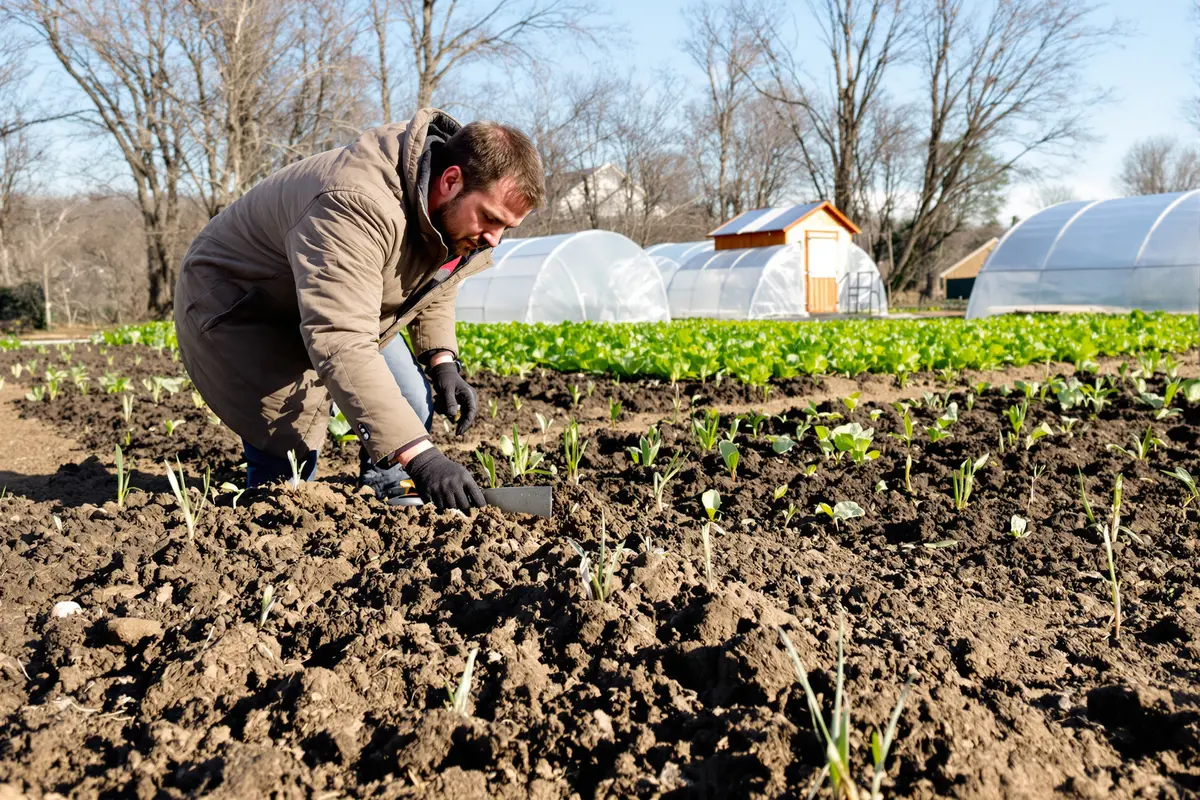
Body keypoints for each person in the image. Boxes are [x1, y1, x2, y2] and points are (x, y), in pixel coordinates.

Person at [173, 109, 544, 511]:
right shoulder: (355, 203)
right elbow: (341, 338)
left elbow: (435, 275)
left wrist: (442, 361)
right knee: (288, 444)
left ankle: (391, 493)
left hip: (331, 297)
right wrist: (424, 458)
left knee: (411, 396)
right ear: (451, 180)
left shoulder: (442, 204)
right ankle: (262, 516)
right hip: (244, 305)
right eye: (490, 218)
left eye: (507, 228)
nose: (495, 239)